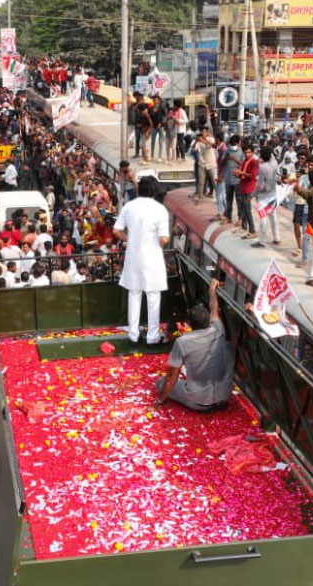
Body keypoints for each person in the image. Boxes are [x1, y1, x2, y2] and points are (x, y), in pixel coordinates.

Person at [155, 279, 233, 410]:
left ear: (190, 324)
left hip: (198, 402)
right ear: (209, 321)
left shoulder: (183, 342)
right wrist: (212, 290)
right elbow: (214, 308)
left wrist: (159, 402)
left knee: (160, 382)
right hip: (224, 397)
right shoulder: (218, 329)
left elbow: (171, 378)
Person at [112, 176, 170, 345]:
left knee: (134, 295)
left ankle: (133, 334)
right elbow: (165, 239)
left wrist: (129, 240)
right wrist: (156, 245)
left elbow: (116, 231)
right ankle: (152, 336)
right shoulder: (160, 210)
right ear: (154, 191)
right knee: (153, 297)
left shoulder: (129, 207)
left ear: (139, 190)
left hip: (133, 257)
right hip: (153, 259)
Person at [252, 146, 279, 248]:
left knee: (263, 217)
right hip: (273, 193)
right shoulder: (274, 163)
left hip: (264, 196)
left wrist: (253, 194)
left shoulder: (263, 168)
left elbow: (260, 185)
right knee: (273, 216)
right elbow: (271, 156)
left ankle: (262, 241)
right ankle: (276, 237)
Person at [232, 143, 259, 239]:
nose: (247, 154)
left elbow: (252, 175)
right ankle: (244, 226)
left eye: (248, 152)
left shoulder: (254, 162)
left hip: (249, 188)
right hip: (243, 186)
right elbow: (241, 174)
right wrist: (237, 173)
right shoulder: (244, 161)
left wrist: (240, 173)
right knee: (243, 208)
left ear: (252, 152)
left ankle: (252, 230)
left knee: (247, 209)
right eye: (245, 152)